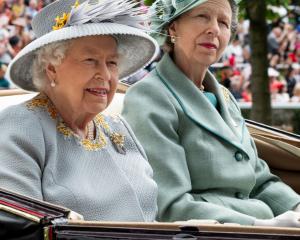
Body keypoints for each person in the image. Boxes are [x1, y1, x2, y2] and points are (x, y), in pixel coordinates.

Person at [122, 0, 300, 227]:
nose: (214, 29)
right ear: (173, 27)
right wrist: (261, 226)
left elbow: (261, 181)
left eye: (224, 22)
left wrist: (296, 207)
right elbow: (170, 205)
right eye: (202, 16)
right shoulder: (149, 97)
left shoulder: (224, 97)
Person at [0, 0, 158, 222]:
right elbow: (19, 227)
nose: (105, 74)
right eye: (90, 60)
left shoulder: (118, 128)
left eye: (112, 62)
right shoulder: (20, 126)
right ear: (52, 69)